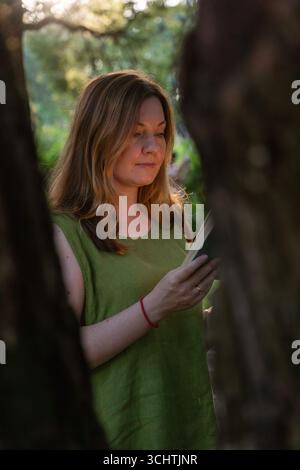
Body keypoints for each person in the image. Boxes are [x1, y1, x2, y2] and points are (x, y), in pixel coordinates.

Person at [48, 69, 218, 450]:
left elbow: (180, 333)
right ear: (97, 135)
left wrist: (221, 317)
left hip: (186, 430)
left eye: (160, 132)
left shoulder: (172, 223)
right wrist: (153, 307)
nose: (153, 146)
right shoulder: (65, 233)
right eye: (135, 131)